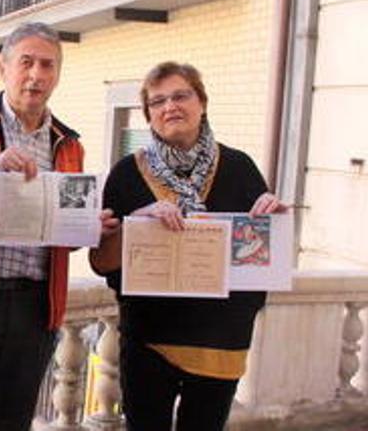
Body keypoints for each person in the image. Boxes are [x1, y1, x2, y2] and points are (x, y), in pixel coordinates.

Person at [0, 22, 118, 431]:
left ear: (57, 75)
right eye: (26, 62)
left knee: (11, 422)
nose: (36, 75)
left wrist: (86, 226)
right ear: (3, 69)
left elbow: (62, 234)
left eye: (47, 65)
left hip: (35, 305)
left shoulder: (70, 143)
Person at [89, 61, 287, 430]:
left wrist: (272, 220)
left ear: (202, 102)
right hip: (150, 339)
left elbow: (261, 257)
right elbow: (101, 262)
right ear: (148, 115)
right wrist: (138, 224)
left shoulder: (240, 167)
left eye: (181, 95)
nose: (170, 107)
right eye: (157, 101)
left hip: (220, 341)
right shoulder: (127, 174)